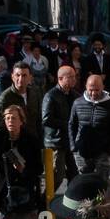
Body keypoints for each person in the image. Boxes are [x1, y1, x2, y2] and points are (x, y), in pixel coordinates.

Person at [0, 104, 44, 219]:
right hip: (3, 191)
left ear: (21, 121)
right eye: (7, 118)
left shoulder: (31, 140)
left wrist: (24, 170)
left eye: (14, 118)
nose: (10, 121)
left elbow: (39, 169)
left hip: (23, 190)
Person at [69, 73, 110, 180]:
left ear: (103, 87)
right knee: (84, 183)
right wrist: (73, 146)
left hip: (103, 153)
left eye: (97, 89)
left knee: (101, 185)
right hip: (82, 152)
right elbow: (72, 125)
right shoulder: (78, 103)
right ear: (86, 87)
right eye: (91, 89)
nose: (93, 93)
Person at [42, 64, 79, 193]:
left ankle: (70, 201)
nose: (74, 79)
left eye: (75, 76)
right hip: (55, 142)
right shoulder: (51, 95)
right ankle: (44, 202)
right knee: (57, 175)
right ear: (60, 78)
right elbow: (46, 119)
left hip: (70, 141)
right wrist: (68, 123)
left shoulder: (74, 95)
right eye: (71, 77)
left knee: (74, 173)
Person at [0, 62, 41, 140]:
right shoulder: (4, 99)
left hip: (33, 142)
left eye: (24, 75)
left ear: (30, 78)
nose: (20, 79)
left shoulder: (35, 94)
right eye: (17, 75)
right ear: (12, 77)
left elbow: (38, 121)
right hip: (14, 144)